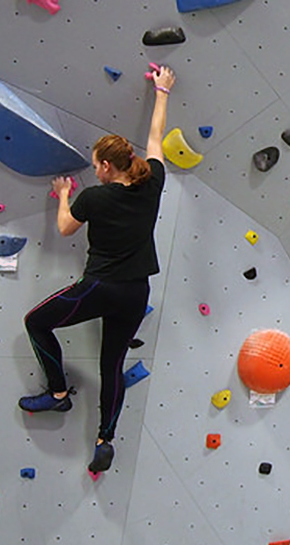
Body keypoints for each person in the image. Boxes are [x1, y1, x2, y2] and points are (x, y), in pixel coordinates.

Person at [19, 65, 176, 474]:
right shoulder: (152, 183)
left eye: (95, 165)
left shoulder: (94, 197)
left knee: (36, 322)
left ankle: (57, 394)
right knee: (112, 365)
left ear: (107, 167)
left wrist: (64, 195)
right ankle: (106, 438)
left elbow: (65, 227)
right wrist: (162, 92)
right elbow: (156, 139)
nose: (94, 170)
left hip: (100, 288)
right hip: (136, 292)